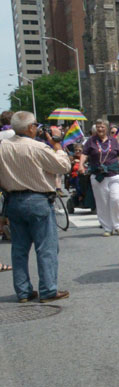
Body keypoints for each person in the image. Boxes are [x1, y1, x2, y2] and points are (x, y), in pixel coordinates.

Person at [0, 112, 70, 302]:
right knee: (46, 247)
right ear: (30, 127)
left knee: (19, 249)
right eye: (36, 125)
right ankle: (48, 290)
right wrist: (57, 146)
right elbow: (63, 166)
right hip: (37, 199)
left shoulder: (2, 147)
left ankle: (23, 292)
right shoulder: (37, 147)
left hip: (13, 200)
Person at [83, 118, 119, 236]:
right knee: (102, 202)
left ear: (106, 128)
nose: (100, 129)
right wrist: (81, 165)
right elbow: (84, 154)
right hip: (98, 176)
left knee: (116, 199)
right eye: (98, 127)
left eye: (102, 127)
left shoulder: (113, 141)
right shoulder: (91, 141)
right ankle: (107, 228)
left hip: (114, 174)